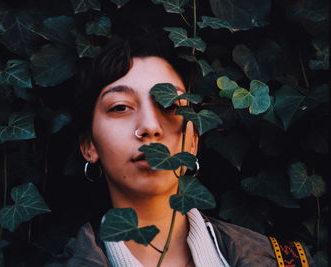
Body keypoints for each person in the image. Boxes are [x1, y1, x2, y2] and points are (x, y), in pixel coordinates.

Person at [61, 31, 315, 267]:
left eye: (171, 105)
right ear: (89, 145)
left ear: (194, 140)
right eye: (120, 107)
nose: (150, 126)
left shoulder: (287, 262)